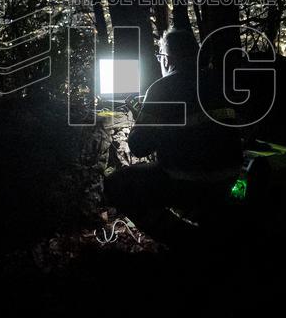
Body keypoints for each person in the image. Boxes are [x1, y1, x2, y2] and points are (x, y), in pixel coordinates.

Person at [103, 28, 243, 232]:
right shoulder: (221, 81)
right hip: (229, 176)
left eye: (160, 56)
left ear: (167, 59)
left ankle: (181, 238)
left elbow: (139, 147)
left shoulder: (162, 88)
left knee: (117, 183)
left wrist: (144, 118)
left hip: (187, 181)